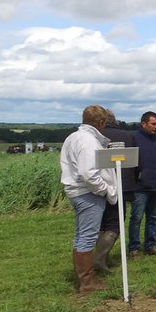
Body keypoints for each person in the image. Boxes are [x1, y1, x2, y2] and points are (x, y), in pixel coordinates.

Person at [59, 105, 118, 294]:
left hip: (78, 192)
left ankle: (84, 277)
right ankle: (88, 281)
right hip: (88, 194)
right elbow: (89, 174)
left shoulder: (73, 137)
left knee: (81, 236)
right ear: (101, 123)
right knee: (87, 237)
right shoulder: (88, 141)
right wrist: (105, 190)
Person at [92, 110, 136, 275]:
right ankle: (99, 260)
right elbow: (133, 161)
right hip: (120, 186)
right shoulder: (127, 135)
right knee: (115, 224)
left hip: (98, 186)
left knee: (102, 224)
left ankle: (103, 257)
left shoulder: (95, 136)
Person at [127, 111, 156, 258]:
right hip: (140, 187)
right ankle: (134, 247)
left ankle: (151, 245)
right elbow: (130, 162)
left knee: (153, 217)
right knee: (136, 218)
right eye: (153, 124)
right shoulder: (134, 138)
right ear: (144, 124)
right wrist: (137, 178)